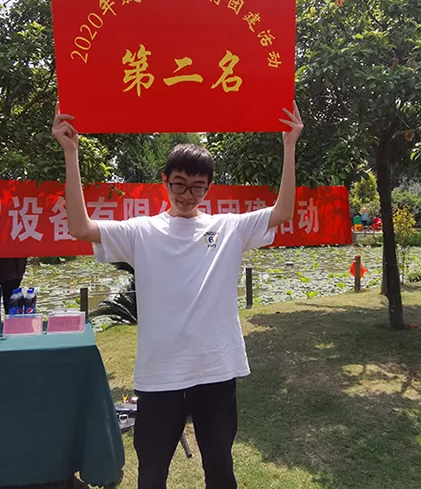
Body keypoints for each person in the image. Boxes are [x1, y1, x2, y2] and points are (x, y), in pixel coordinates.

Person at [52, 101, 303, 489]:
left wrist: (289, 146)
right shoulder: (141, 231)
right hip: (160, 374)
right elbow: (80, 227)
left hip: (216, 370)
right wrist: (71, 153)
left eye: (198, 186)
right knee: (152, 474)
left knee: (220, 470)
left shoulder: (228, 228)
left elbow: (283, 211)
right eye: (180, 184)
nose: (188, 194)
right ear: (165, 180)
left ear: (208, 187)